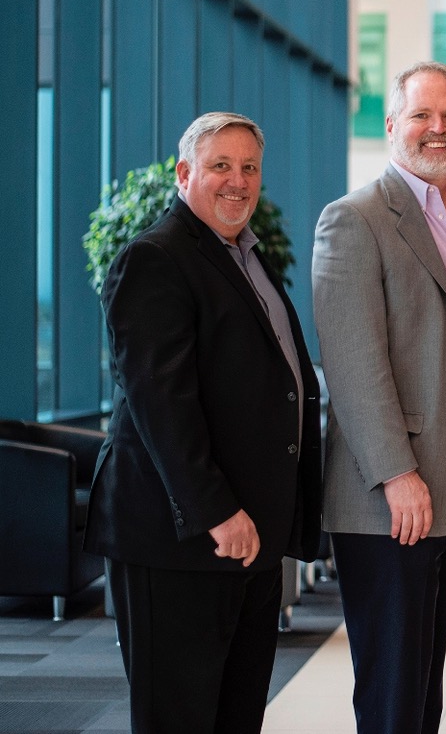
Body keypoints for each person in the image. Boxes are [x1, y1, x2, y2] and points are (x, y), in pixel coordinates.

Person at [85, 112, 323, 734]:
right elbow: (161, 402)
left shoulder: (245, 257)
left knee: (236, 717)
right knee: (179, 718)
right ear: (185, 172)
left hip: (249, 541)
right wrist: (217, 511)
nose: (237, 181)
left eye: (249, 168)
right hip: (183, 540)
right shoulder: (155, 258)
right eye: (221, 166)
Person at [312, 61, 446, 734]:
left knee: (425, 674)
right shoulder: (355, 219)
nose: (438, 128)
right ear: (391, 124)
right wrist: (395, 473)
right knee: (393, 685)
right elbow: (353, 363)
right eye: (422, 115)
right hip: (392, 494)